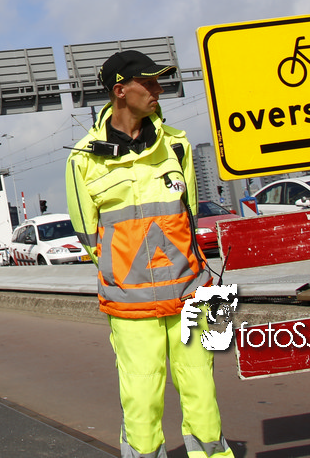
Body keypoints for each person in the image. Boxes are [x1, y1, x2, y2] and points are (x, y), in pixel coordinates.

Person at [66, 50, 233, 458]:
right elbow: (89, 236)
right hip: (130, 303)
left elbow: (189, 217)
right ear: (120, 91)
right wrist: (127, 274)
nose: (159, 89)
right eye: (150, 82)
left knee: (202, 395)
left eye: (160, 81)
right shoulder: (84, 159)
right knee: (141, 402)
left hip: (190, 295)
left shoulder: (177, 145)